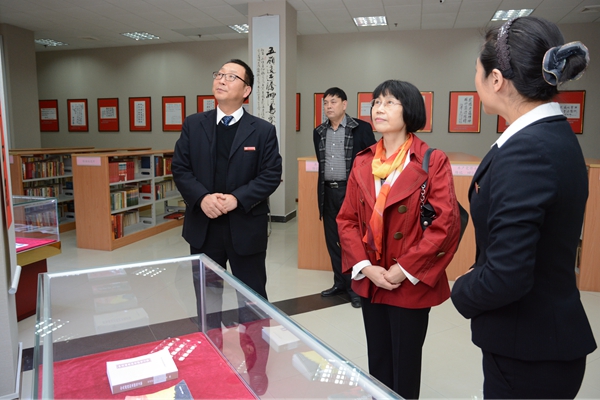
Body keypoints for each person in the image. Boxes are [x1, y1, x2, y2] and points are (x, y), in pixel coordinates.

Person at [450, 16, 596, 399]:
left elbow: (508, 277)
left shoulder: (527, 152)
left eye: (477, 72)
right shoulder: (552, 136)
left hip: (529, 353)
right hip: (543, 341)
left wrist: (461, 289)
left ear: (496, 79)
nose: (476, 80)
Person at [337, 80, 461, 398]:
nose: (379, 108)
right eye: (377, 102)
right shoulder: (364, 160)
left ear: (410, 110)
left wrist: (403, 269)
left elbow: (445, 224)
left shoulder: (431, 160)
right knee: (378, 361)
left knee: (405, 365)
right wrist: (366, 267)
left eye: (390, 102)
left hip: (408, 279)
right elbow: (347, 219)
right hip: (372, 277)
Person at [172, 59, 281, 395]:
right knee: (207, 302)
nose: (221, 79)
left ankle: (257, 369)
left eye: (230, 76)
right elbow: (180, 168)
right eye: (218, 74)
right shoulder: (194, 124)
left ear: (246, 90)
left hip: (245, 228)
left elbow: (271, 175)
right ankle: (211, 363)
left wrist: (236, 199)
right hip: (204, 228)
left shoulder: (262, 130)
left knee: (252, 303)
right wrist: (201, 198)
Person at [314, 87, 376, 308]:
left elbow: (372, 160)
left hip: (352, 193)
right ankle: (340, 283)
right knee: (333, 241)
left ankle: (355, 288)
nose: (328, 106)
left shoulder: (361, 128)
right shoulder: (319, 131)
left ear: (344, 104)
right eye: (325, 103)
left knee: (353, 241)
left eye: (333, 102)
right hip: (327, 192)